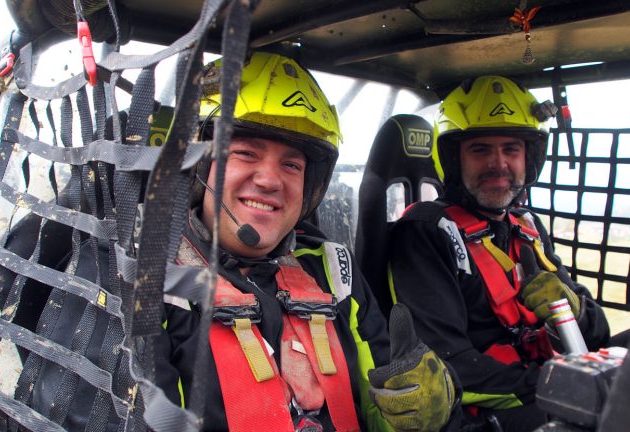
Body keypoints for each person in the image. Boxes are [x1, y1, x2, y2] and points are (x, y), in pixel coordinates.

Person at [157, 51, 460, 431]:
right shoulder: (149, 284)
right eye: (245, 153)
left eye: (292, 164)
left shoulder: (335, 272)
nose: (269, 180)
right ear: (199, 165)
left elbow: (389, 409)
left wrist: (437, 407)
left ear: (310, 186)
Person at [386, 76, 611, 432]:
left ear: (528, 158)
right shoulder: (425, 232)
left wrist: (578, 311)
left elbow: (598, 336)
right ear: (454, 159)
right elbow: (447, 362)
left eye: (511, 149)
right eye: (480, 150)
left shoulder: (528, 227)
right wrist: (557, 385)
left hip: (543, 386)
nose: (498, 163)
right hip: (489, 413)